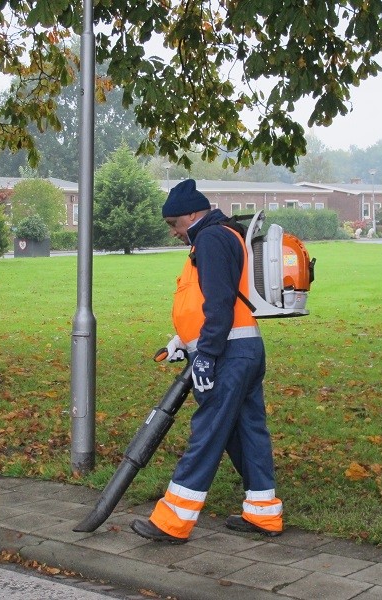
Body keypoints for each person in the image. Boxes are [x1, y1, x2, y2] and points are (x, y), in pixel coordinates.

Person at [130, 179, 283, 544]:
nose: (173, 232)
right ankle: (263, 514)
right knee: (247, 432)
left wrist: (207, 355)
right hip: (243, 350)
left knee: (208, 432)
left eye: (174, 224)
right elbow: (207, 302)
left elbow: (218, 303)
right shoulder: (220, 235)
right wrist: (184, 341)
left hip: (227, 353)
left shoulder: (211, 239)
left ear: (193, 214)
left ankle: (172, 521)